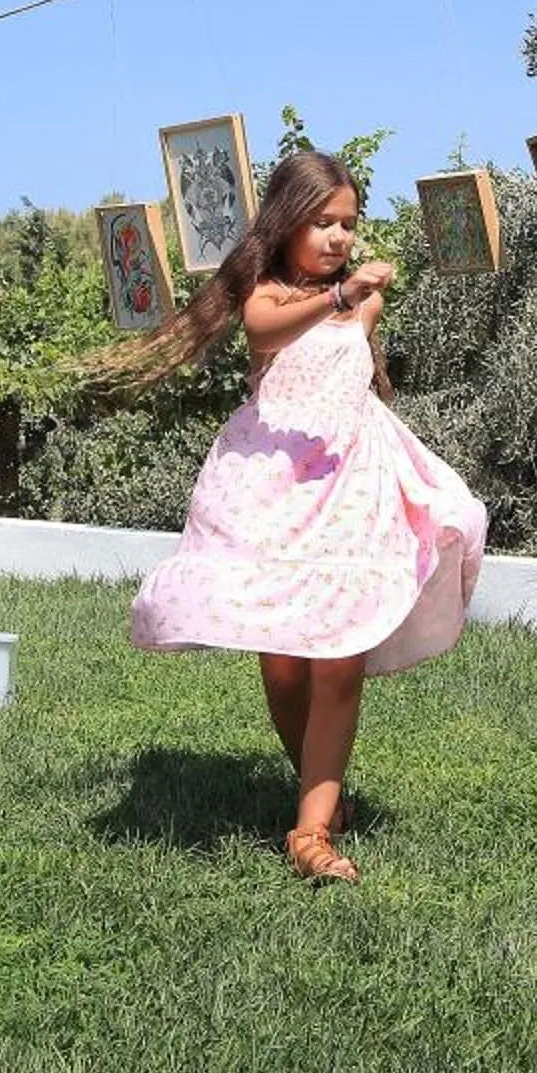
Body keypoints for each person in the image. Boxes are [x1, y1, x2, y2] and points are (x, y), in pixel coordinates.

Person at [94, 149, 487, 884]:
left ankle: (311, 833)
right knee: (282, 659)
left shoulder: (359, 300)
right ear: (286, 222)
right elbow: (265, 331)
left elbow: (355, 330)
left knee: (339, 658)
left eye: (348, 224)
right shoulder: (269, 293)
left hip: (353, 485)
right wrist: (339, 298)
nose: (338, 238)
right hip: (271, 486)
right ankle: (318, 786)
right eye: (322, 222)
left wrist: (362, 294)